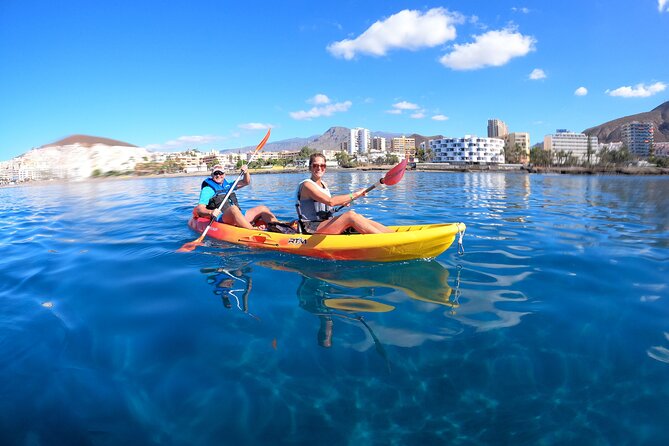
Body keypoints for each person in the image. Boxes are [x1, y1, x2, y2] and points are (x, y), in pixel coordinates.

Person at [296, 153, 392, 234]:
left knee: (358, 216)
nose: (319, 168)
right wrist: (355, 194)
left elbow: (326, 205)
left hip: (325, 223)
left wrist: (343, 202)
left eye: (322, 165)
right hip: (311, 227)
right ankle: (386, 240)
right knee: (350, 216)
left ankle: (391, 234)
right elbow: (330, 202)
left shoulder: (324, 184)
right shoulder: (307, 185)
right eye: (315, 165)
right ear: (310, 167)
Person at [195, 164, 277, 230]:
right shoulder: (207, 189)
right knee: (234, 208)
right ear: (212, 175)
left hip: (237, 215)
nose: (219, 175)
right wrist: (211, 212)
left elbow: (246, 182)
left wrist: (246, 172)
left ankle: (278, 226)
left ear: (224, 174)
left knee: (262, 208)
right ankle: (252, 230)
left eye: (221, 173)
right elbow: (199, 209)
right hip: (222, 218)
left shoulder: (229, 184)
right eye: (216, 173)